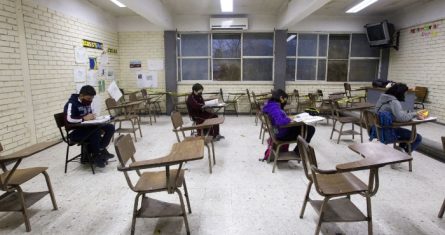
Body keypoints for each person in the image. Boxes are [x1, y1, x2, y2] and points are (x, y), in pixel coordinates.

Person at [63, 85, 115, 168]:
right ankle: (97, 155)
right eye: (88, 99)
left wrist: (93, 117)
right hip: (75, 133)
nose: (90, 101)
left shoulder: (86, 102)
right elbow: (69, 119)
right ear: (81, 95)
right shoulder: (71, 103)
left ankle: (100, 150)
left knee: (110, 127)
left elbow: (88, 115)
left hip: (87, 128)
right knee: (95, 131)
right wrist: (83, 118)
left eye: (92, 99)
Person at [374, 83, 425, 152]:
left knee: (404, 133)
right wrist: (415, 114)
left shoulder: (383, 98)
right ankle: (404, 155)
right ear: (400, 93)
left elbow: (396, 113)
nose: (405, 95)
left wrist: (410, 113)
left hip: (377, 129)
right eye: (405, 93)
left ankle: (401, 150)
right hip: (387, 131)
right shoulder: (394, 102)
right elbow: (401, 118)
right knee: (417, 137)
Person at [262, 89, 316, 154]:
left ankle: (298, 151)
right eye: (285, 99)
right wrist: (289, 119)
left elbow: (278, 119)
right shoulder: (274, 108)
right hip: (281, 134)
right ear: (281, 98)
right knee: (310, 129)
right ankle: (298, 152)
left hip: (277, 131)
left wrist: (288, 118)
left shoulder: (270, 105)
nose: (285, 101)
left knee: (304, 127)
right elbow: (280, 122)